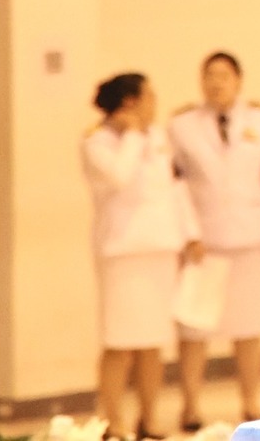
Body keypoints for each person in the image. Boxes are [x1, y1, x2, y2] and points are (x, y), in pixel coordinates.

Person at [167, 52, 260, 427]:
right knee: (194, 328)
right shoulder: (182, 125)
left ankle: (250, 403)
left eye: (223, 75)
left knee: (250, 327)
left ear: (238, 80)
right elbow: (176, 186)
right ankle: (190, 407)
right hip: (204, 241)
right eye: (209, 75)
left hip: (252, 236)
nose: (216, 83)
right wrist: (189, 233)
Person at [83, 73, 202, 441]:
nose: (155, 103)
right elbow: (119, 177)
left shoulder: (158, 136)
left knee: (153, 341)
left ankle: (148, 418)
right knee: (120, 343)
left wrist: (191, 234)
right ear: (130, 102)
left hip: (160, 247)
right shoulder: (96, 141)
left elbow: (175, 189)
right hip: (123, 252)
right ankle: (112, 420)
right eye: (149, 96)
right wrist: (132, 135)